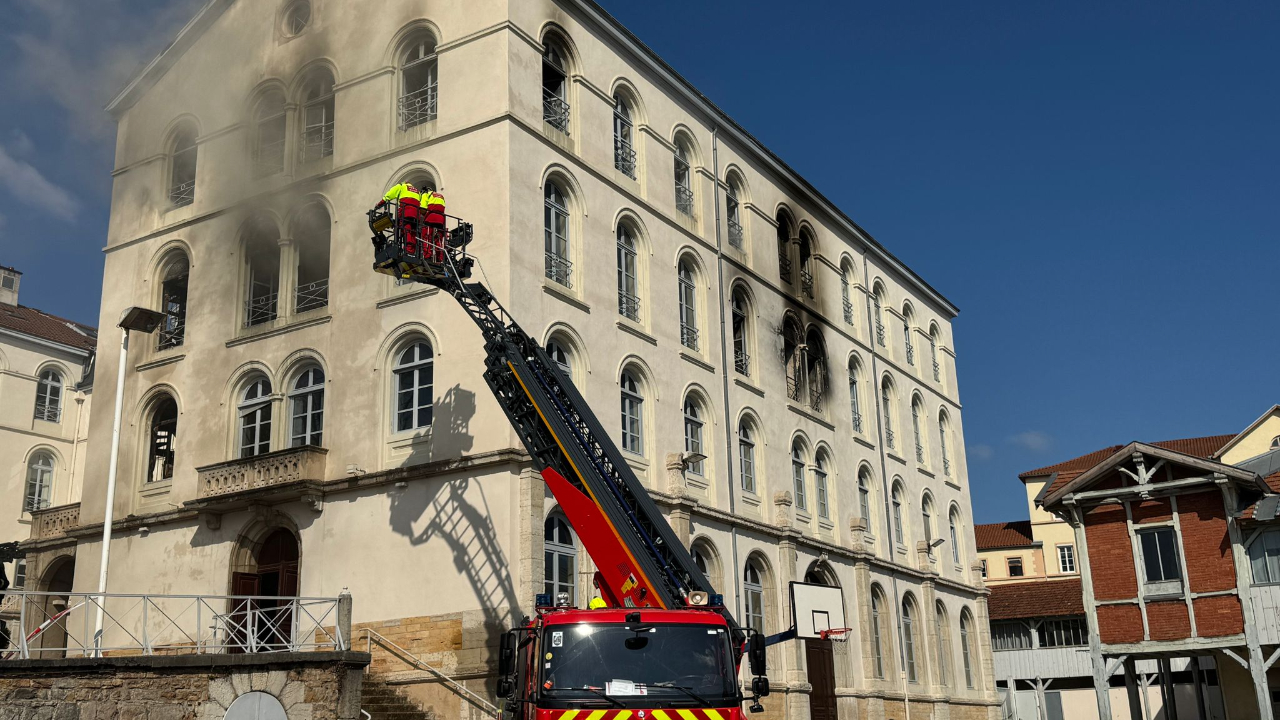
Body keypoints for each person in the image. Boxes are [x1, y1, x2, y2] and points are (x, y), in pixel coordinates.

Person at [377, 182, 423, 258]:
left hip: (406, 212)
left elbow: (390, 194)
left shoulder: (401, 186)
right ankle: (412, 252)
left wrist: (381, 203)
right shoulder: (417, 191)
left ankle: (408, 251)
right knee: (413, 233)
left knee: (406, 230)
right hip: (416, 215)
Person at [422, 188, 447, 264]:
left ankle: (427, 256)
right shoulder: (441, 196)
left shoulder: (426, 195)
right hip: (441, 219)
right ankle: (439, 258)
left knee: (427, 236)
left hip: (431, 217)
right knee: (438, 238)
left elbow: (422, 208)